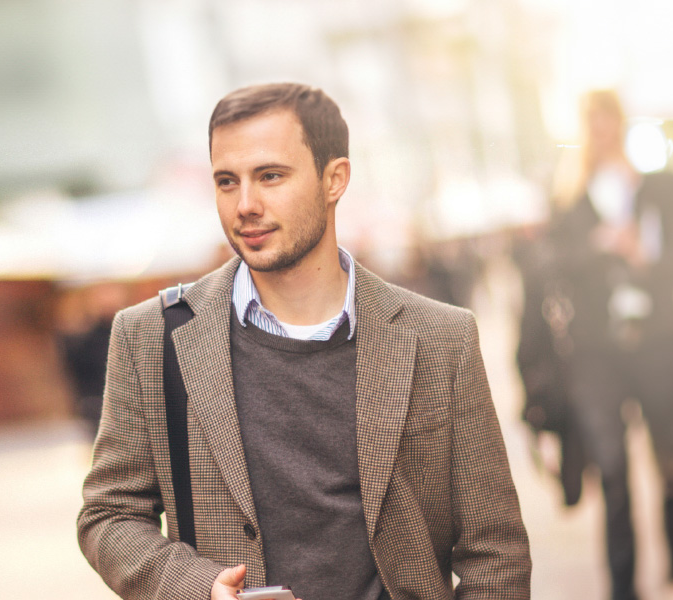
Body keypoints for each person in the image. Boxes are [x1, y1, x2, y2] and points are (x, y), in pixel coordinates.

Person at [77, 83, 530, 600]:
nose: (245, 204)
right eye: (227, 182)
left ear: (334, 179)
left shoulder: (439, 339)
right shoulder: (154, 336)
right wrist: (196, 587)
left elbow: (494, 550)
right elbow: (109, 515)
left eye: (270, 176)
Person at [548, 90, 673, 600]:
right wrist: (598, 246)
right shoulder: (569, 199)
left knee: (668, 455)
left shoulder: (659, 186)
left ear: (622, 122)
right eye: (593, 120)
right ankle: (623, 585)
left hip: (656, 342)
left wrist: (642, 256)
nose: (602, 129)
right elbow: (552, 265)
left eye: (608, 118)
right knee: (611, 467)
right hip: (596, 352)